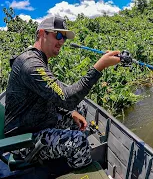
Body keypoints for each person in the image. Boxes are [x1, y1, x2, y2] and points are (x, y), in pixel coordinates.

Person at [4, 16, 120, 168]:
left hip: (40, 122)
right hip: (24, 140)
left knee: (79, 110)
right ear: (41, 33)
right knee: (78, 141)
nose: (61, 41)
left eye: (64, 37)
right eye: (57, 35)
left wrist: (70, 113)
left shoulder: (38, 59)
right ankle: (79, 168)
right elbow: (66, 98)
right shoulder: (31, 64)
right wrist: (99, 67)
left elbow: (50, 96)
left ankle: (66, 158)